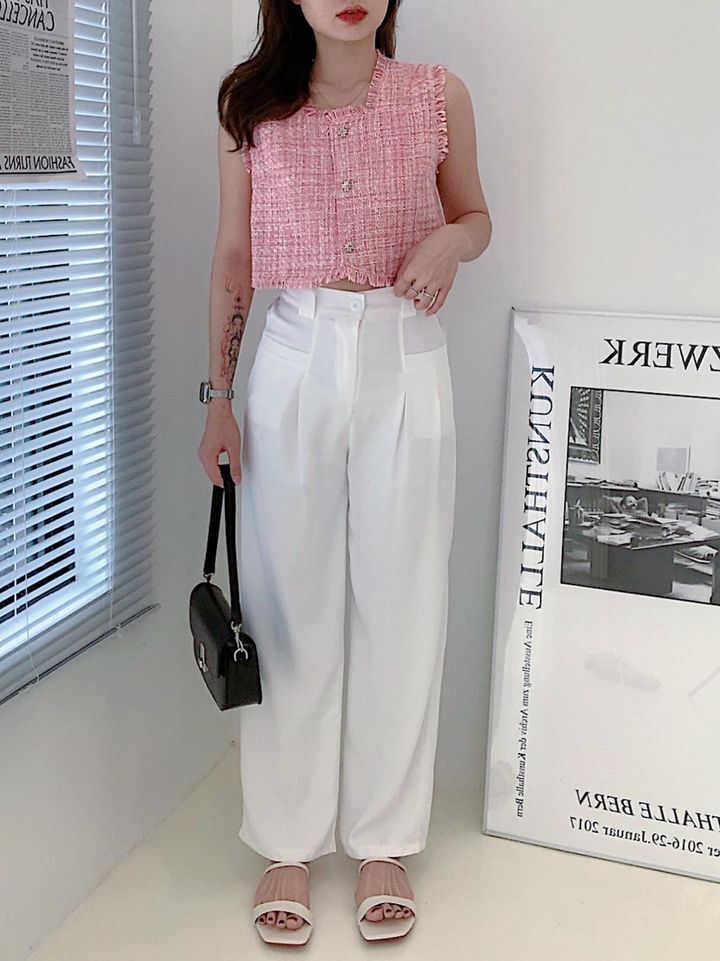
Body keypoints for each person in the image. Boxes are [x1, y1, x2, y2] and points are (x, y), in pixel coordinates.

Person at [196, 0, 491, 945]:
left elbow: (477, 216)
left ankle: (384, 839)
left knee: (405, 598)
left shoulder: (438, 96)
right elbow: (234, 256)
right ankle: (286, 840)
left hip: (407, 357)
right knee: (290, 604)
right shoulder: (249, 104)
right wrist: (218, 398)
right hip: (294, 357)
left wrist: (453, 240)